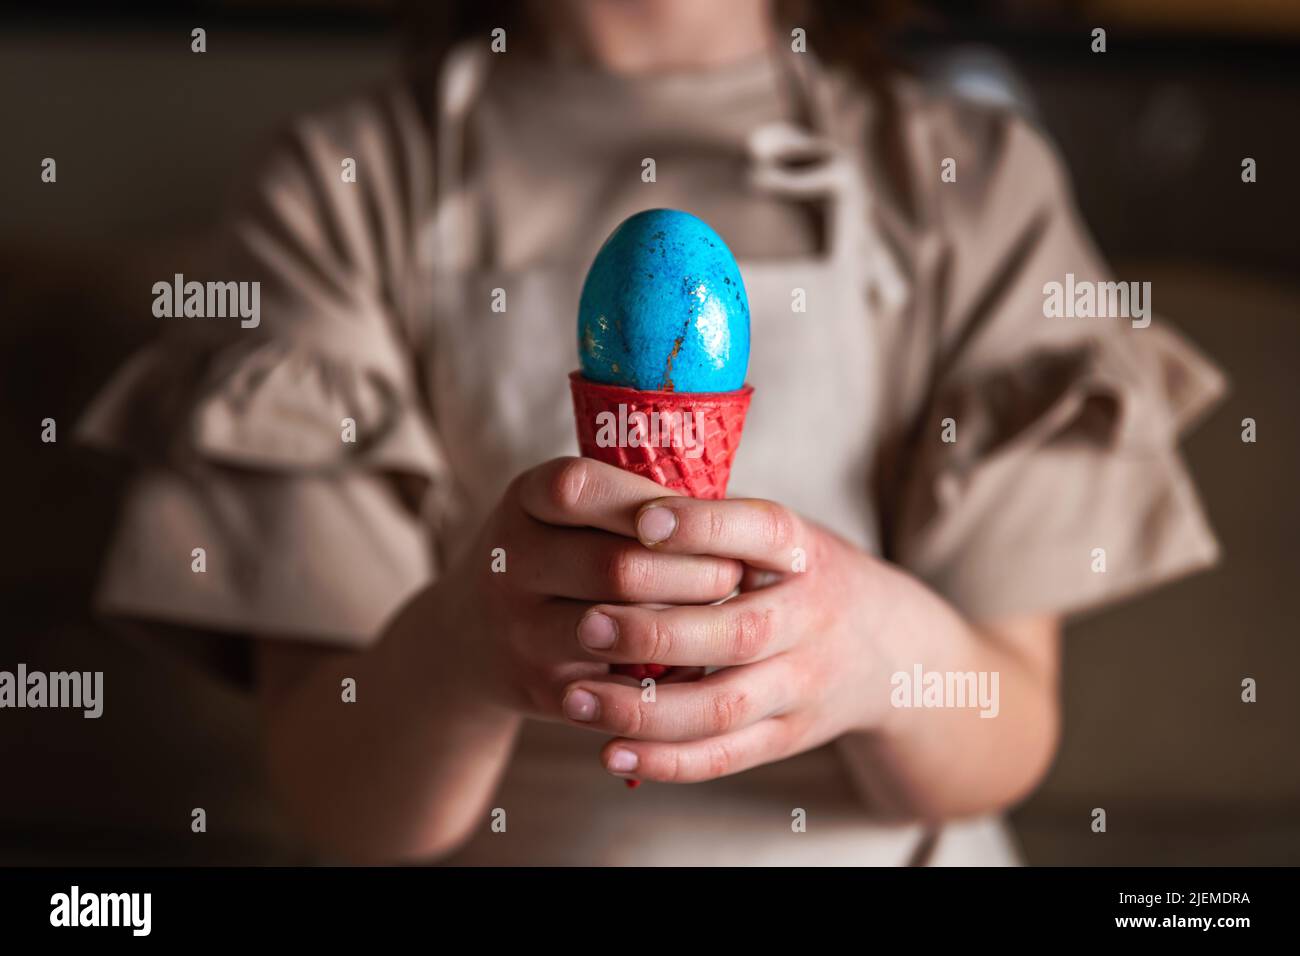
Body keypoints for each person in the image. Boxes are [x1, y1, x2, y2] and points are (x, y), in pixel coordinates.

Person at [79, 0, 1226, 865]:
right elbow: (339, 797)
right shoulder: (339, 189)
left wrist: (879, 650)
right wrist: (462, 650)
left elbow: (1008, 728)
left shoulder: (971, 184)